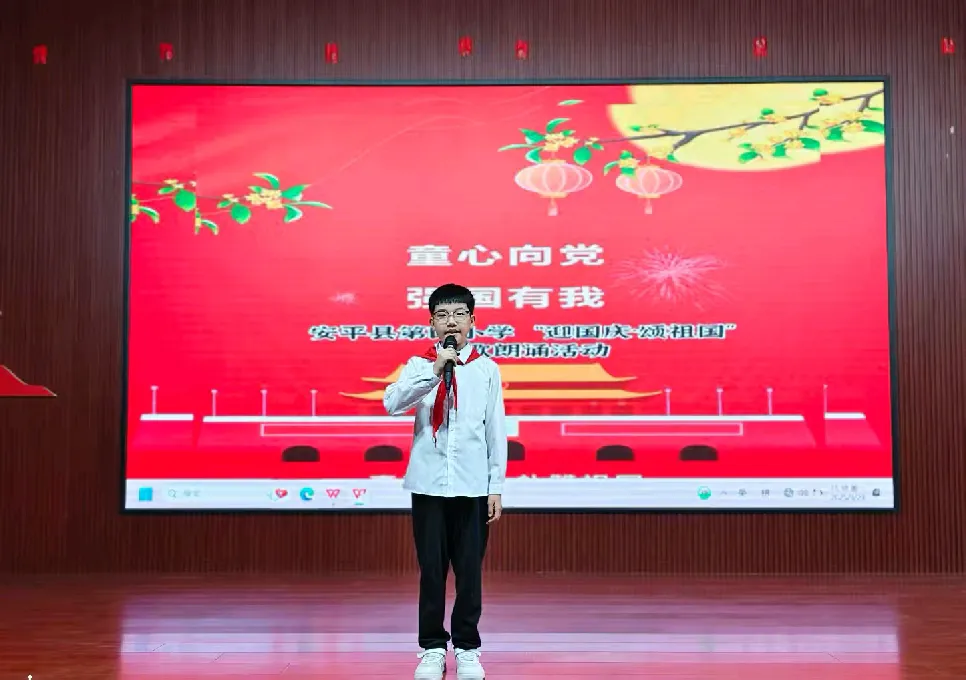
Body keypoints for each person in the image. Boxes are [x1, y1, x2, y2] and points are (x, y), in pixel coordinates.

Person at [383, 283, 507, 680]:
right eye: (442, 315)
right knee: (432, 572)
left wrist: (496, 486)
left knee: (469, 572)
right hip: (428, 485)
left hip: (472, 486)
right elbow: (391, 404)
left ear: (472, 320)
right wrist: (435, 372)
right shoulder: (418, 365)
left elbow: (495, 431)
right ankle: (432, 648)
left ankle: (467, 648)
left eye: (458, 314)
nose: (450, 322)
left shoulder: (486, 369)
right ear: (431, 323)